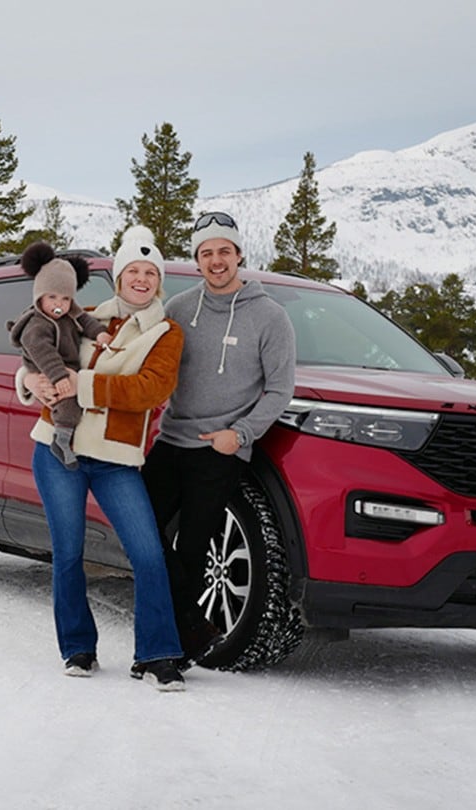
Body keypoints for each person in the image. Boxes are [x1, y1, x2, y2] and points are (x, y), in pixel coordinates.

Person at [18, 225, 188, 691]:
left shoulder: (166, 333)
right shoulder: (83, 316)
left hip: (115, 459)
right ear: (118, 276)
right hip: (57, 447)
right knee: (68, 554)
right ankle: (77, 647)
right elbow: (38, 351)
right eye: (132, 270)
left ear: (159, 280)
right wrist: (28, 382)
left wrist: (82, 386)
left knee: (149, 554)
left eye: (149, 272)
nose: (141, 279)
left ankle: (156, 655)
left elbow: (150, 390)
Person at [142, 211, 297, 665]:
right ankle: (191, 627)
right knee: (139, 533)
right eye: (206, 253)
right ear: (196, 259)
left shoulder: (270, 317)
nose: (216, 260)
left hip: (220, 449)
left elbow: (280, 388)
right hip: (171, 441)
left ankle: (168, 650)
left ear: (239, 255)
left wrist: (241, 434)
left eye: (223, 251)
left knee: (192, 549)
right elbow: (145, 360)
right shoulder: (179, 309)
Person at [8, 243, 111, 469]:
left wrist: (101, 333)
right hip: (49, 370)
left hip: (65, 369)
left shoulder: (69, 314)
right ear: (39, 297)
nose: (59, 304)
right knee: (67, 405)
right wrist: (58, 376)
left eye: (65, 299)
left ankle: (64, 438)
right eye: (52, 297)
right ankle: (61, 440)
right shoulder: (36, 324)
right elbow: (42, 351)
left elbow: (86, 320)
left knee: (70, 402)